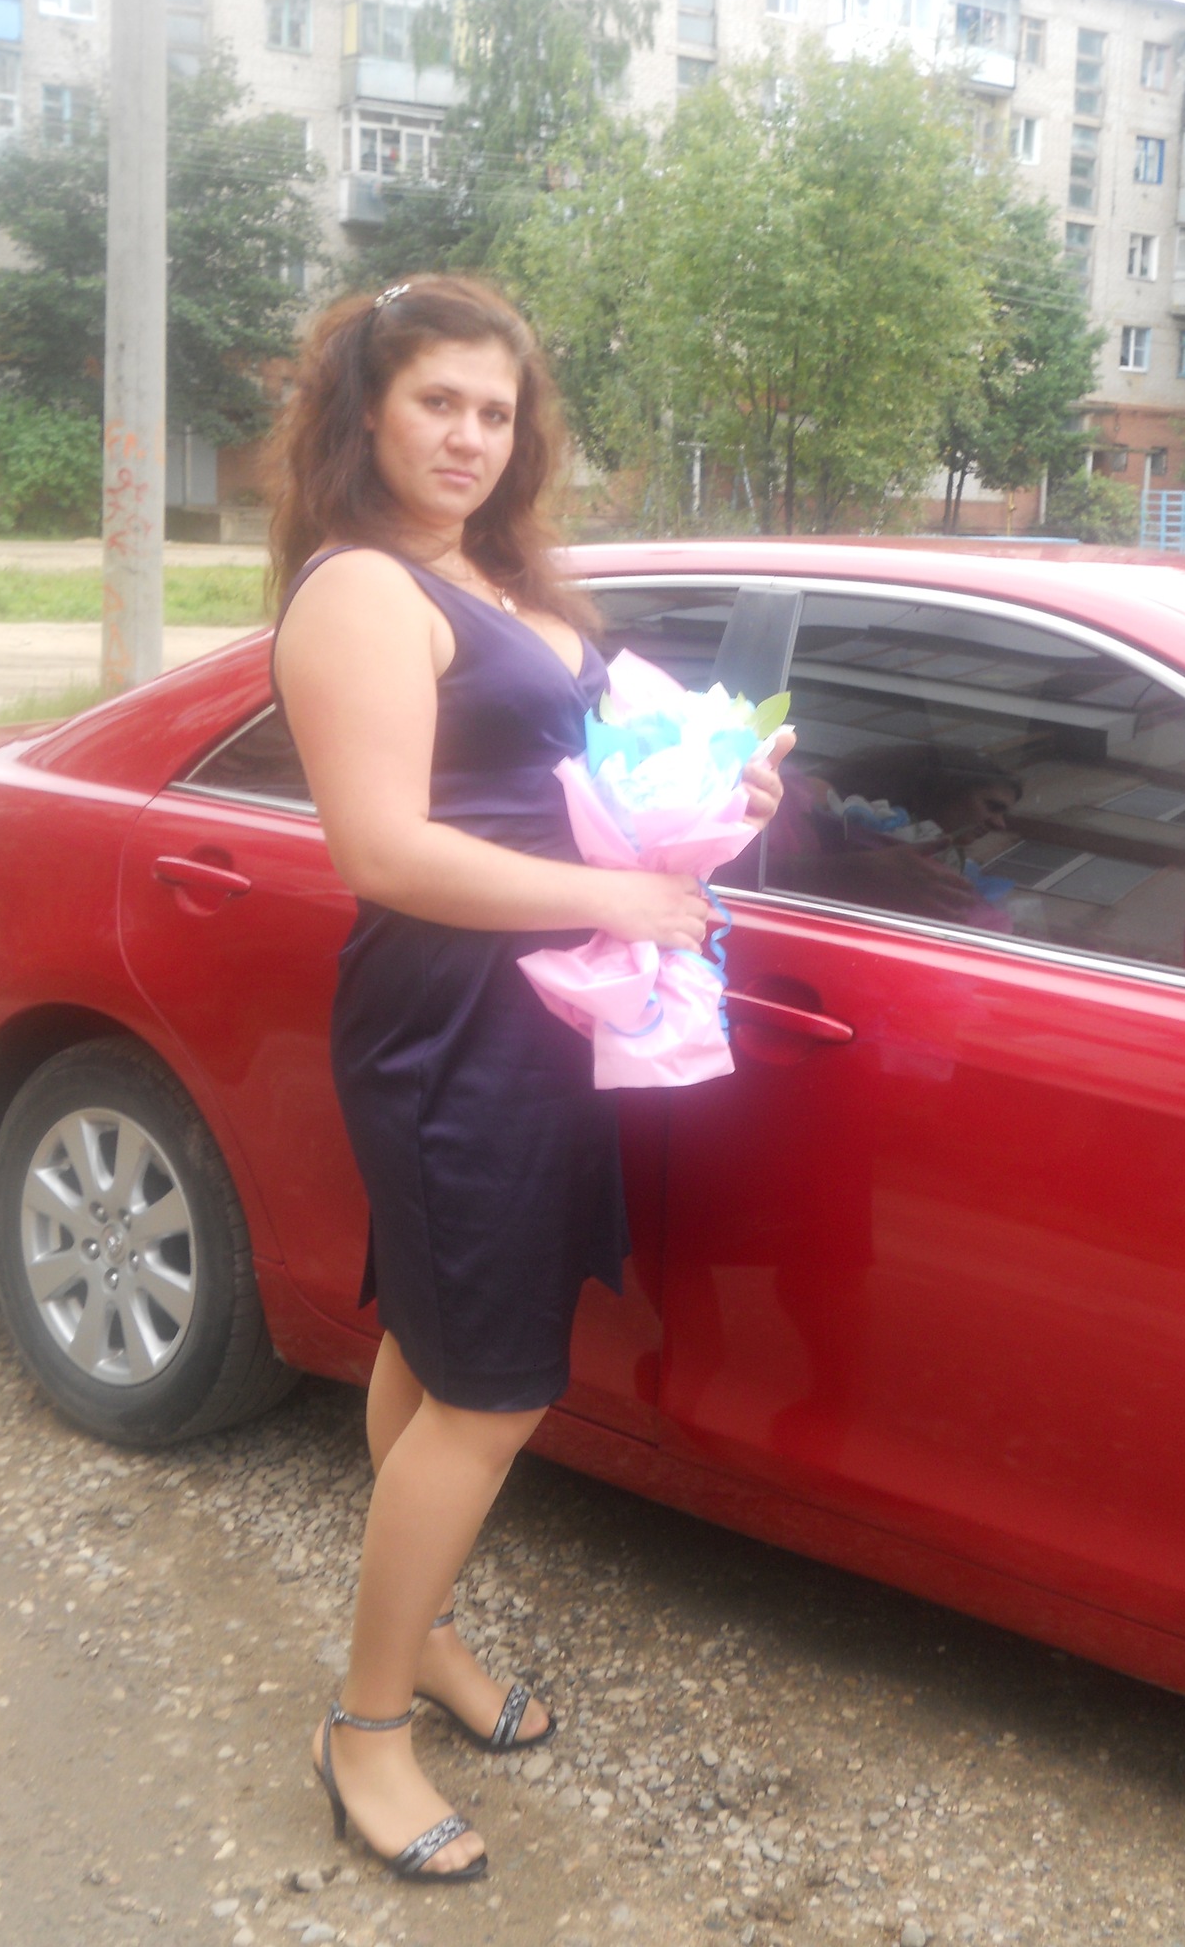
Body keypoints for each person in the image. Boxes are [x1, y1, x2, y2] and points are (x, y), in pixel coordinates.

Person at [268, 275, 789, 1886]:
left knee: (439, 1348)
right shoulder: (361, 590)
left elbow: (584, 783)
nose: (470, 437)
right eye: (437, 401)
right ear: (367, 411)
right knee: (492, 1389)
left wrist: (723, 790)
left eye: (496, 411)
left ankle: (417, 1633)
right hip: (446, 1025)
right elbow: (382, 849)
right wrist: (616, 897)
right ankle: (363, 1729)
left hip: (552, 1016)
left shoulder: (503, 579)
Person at [770, 742, 1021, 924]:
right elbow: (755, 872)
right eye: (992, 806)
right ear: (946, 789)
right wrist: (844, 872)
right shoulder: (815, 800)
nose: (999, 825)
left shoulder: (954, 868)